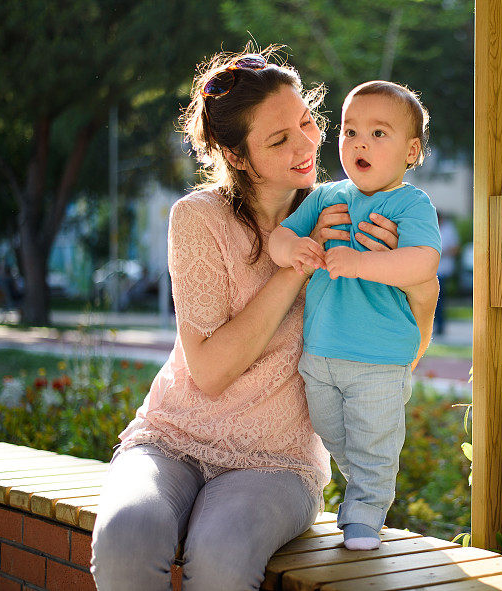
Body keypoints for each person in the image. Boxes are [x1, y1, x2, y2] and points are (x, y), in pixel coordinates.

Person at [90, 50, 437, 591]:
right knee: (127, 536)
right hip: (172, 437)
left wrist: (413, 281)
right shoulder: (198, 218)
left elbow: (407, 350)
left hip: (278, 462)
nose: (306, 146)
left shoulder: (359, 210)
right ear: (238, 155)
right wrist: (301, 261)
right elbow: (208, 372)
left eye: (307, 122)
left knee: (222, 555)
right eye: (278, 140)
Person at [268, 81, 441, 550]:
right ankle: (364, 484)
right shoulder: (326, 197)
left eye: (378, 133)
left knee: (374, 443)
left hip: (379, 357)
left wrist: (362, 264)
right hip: (320, 352)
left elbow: (424, 262)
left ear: (412, 151)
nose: (359, 142)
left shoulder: (410, 204)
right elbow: (278, 237)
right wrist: (292, 249)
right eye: (350, 131)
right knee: (335, 435)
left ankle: (365, 515)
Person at [434, 212, 459, 335]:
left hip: (442, 270)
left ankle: (440, 327)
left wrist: (441, 253)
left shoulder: (449, 229)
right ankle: (435, 326)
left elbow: (455, 249)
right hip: (431, 271)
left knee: (439, 301)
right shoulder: (431, 227)